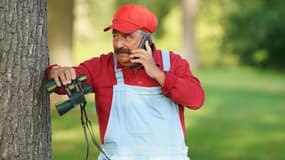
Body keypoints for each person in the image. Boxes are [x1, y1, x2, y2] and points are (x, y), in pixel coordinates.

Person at [46, 3, 205, 160]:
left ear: (146, 40)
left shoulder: (173, 63)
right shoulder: (102, 66)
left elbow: (196, 99)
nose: (118, 44)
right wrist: (55, 71)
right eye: (115, 35)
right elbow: (63, 84)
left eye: (127, 36)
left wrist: (158, 74)